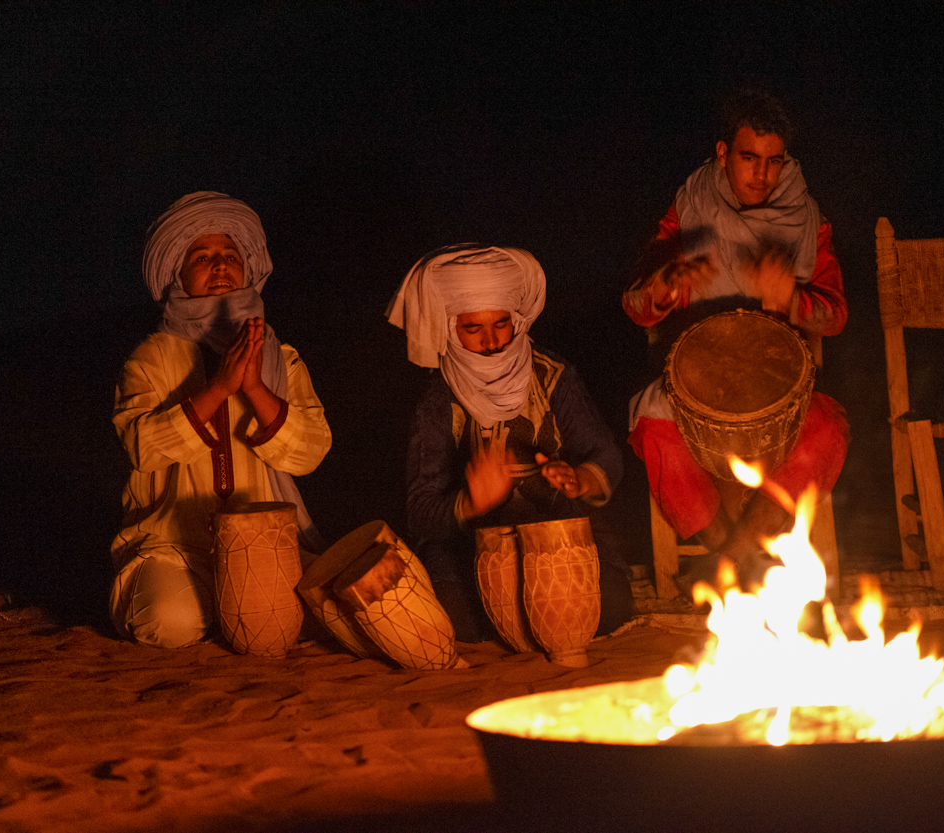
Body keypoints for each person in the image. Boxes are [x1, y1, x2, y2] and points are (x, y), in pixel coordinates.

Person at [623, 88, 849, 588]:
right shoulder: (688, 210)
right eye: (749, 159)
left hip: (778, 402)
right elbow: (636, 307)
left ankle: (732, 561)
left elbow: (834, 316)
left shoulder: (808, 219)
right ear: (724, 153)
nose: (761, 176)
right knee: (655, 433)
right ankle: (738, 558)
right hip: (695, 396)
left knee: (828, 427)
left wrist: (791, 298)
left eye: (774, 161)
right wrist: (663, 287)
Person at [110, 191, 332, 648]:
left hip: (265, 542)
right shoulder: (152, 358)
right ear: (177, 273)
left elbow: (311, 451)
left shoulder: (279, 357)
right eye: (203, 256)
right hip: (176, 544)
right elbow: (143, 447)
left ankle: (230, 605)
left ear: (247, 269)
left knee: (331, 608)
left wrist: (253, 388)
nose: (220, 266)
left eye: (230, 255)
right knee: (169, 622)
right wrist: (218, 390)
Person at [388, 245, 634, 643]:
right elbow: (420, 510)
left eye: (501, 323)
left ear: (517, 319)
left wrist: (580, 479)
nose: (491, 341)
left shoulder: (553, 376)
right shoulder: (438, 401)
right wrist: (471, 503)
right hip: (471, 548)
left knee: (613, 610)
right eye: (473, 329)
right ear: (450, 327)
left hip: (557, 538)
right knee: (461, 624)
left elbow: (604, 453)